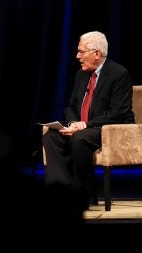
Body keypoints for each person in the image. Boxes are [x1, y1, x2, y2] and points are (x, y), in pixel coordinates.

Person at [42, 31, 135, 208]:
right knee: (51, 137)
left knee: (80, 138)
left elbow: (118, 113)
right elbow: (70, 107)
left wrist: (84, 125)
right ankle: (60, 192)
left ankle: (81, 194)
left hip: (110, 128)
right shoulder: (81, 75)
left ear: (97, 54)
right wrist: (72, 124)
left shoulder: (119, 74)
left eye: (81, 52)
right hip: (83, 128)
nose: (77, 56)